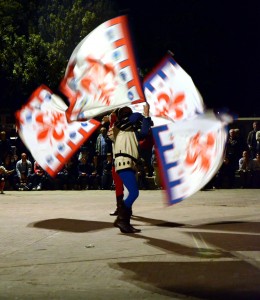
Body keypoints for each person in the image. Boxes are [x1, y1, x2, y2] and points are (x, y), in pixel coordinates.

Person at [110, 104, 152, 233]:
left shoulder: (130, 130)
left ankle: (125, 223)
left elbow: (144, 132)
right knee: (134, 193)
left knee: (132, 193)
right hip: (123, 162)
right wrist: (141, 114)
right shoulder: (118, 127)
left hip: (129, 163)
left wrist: (146, 116)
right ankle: (122, 220)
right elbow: (133, 118)